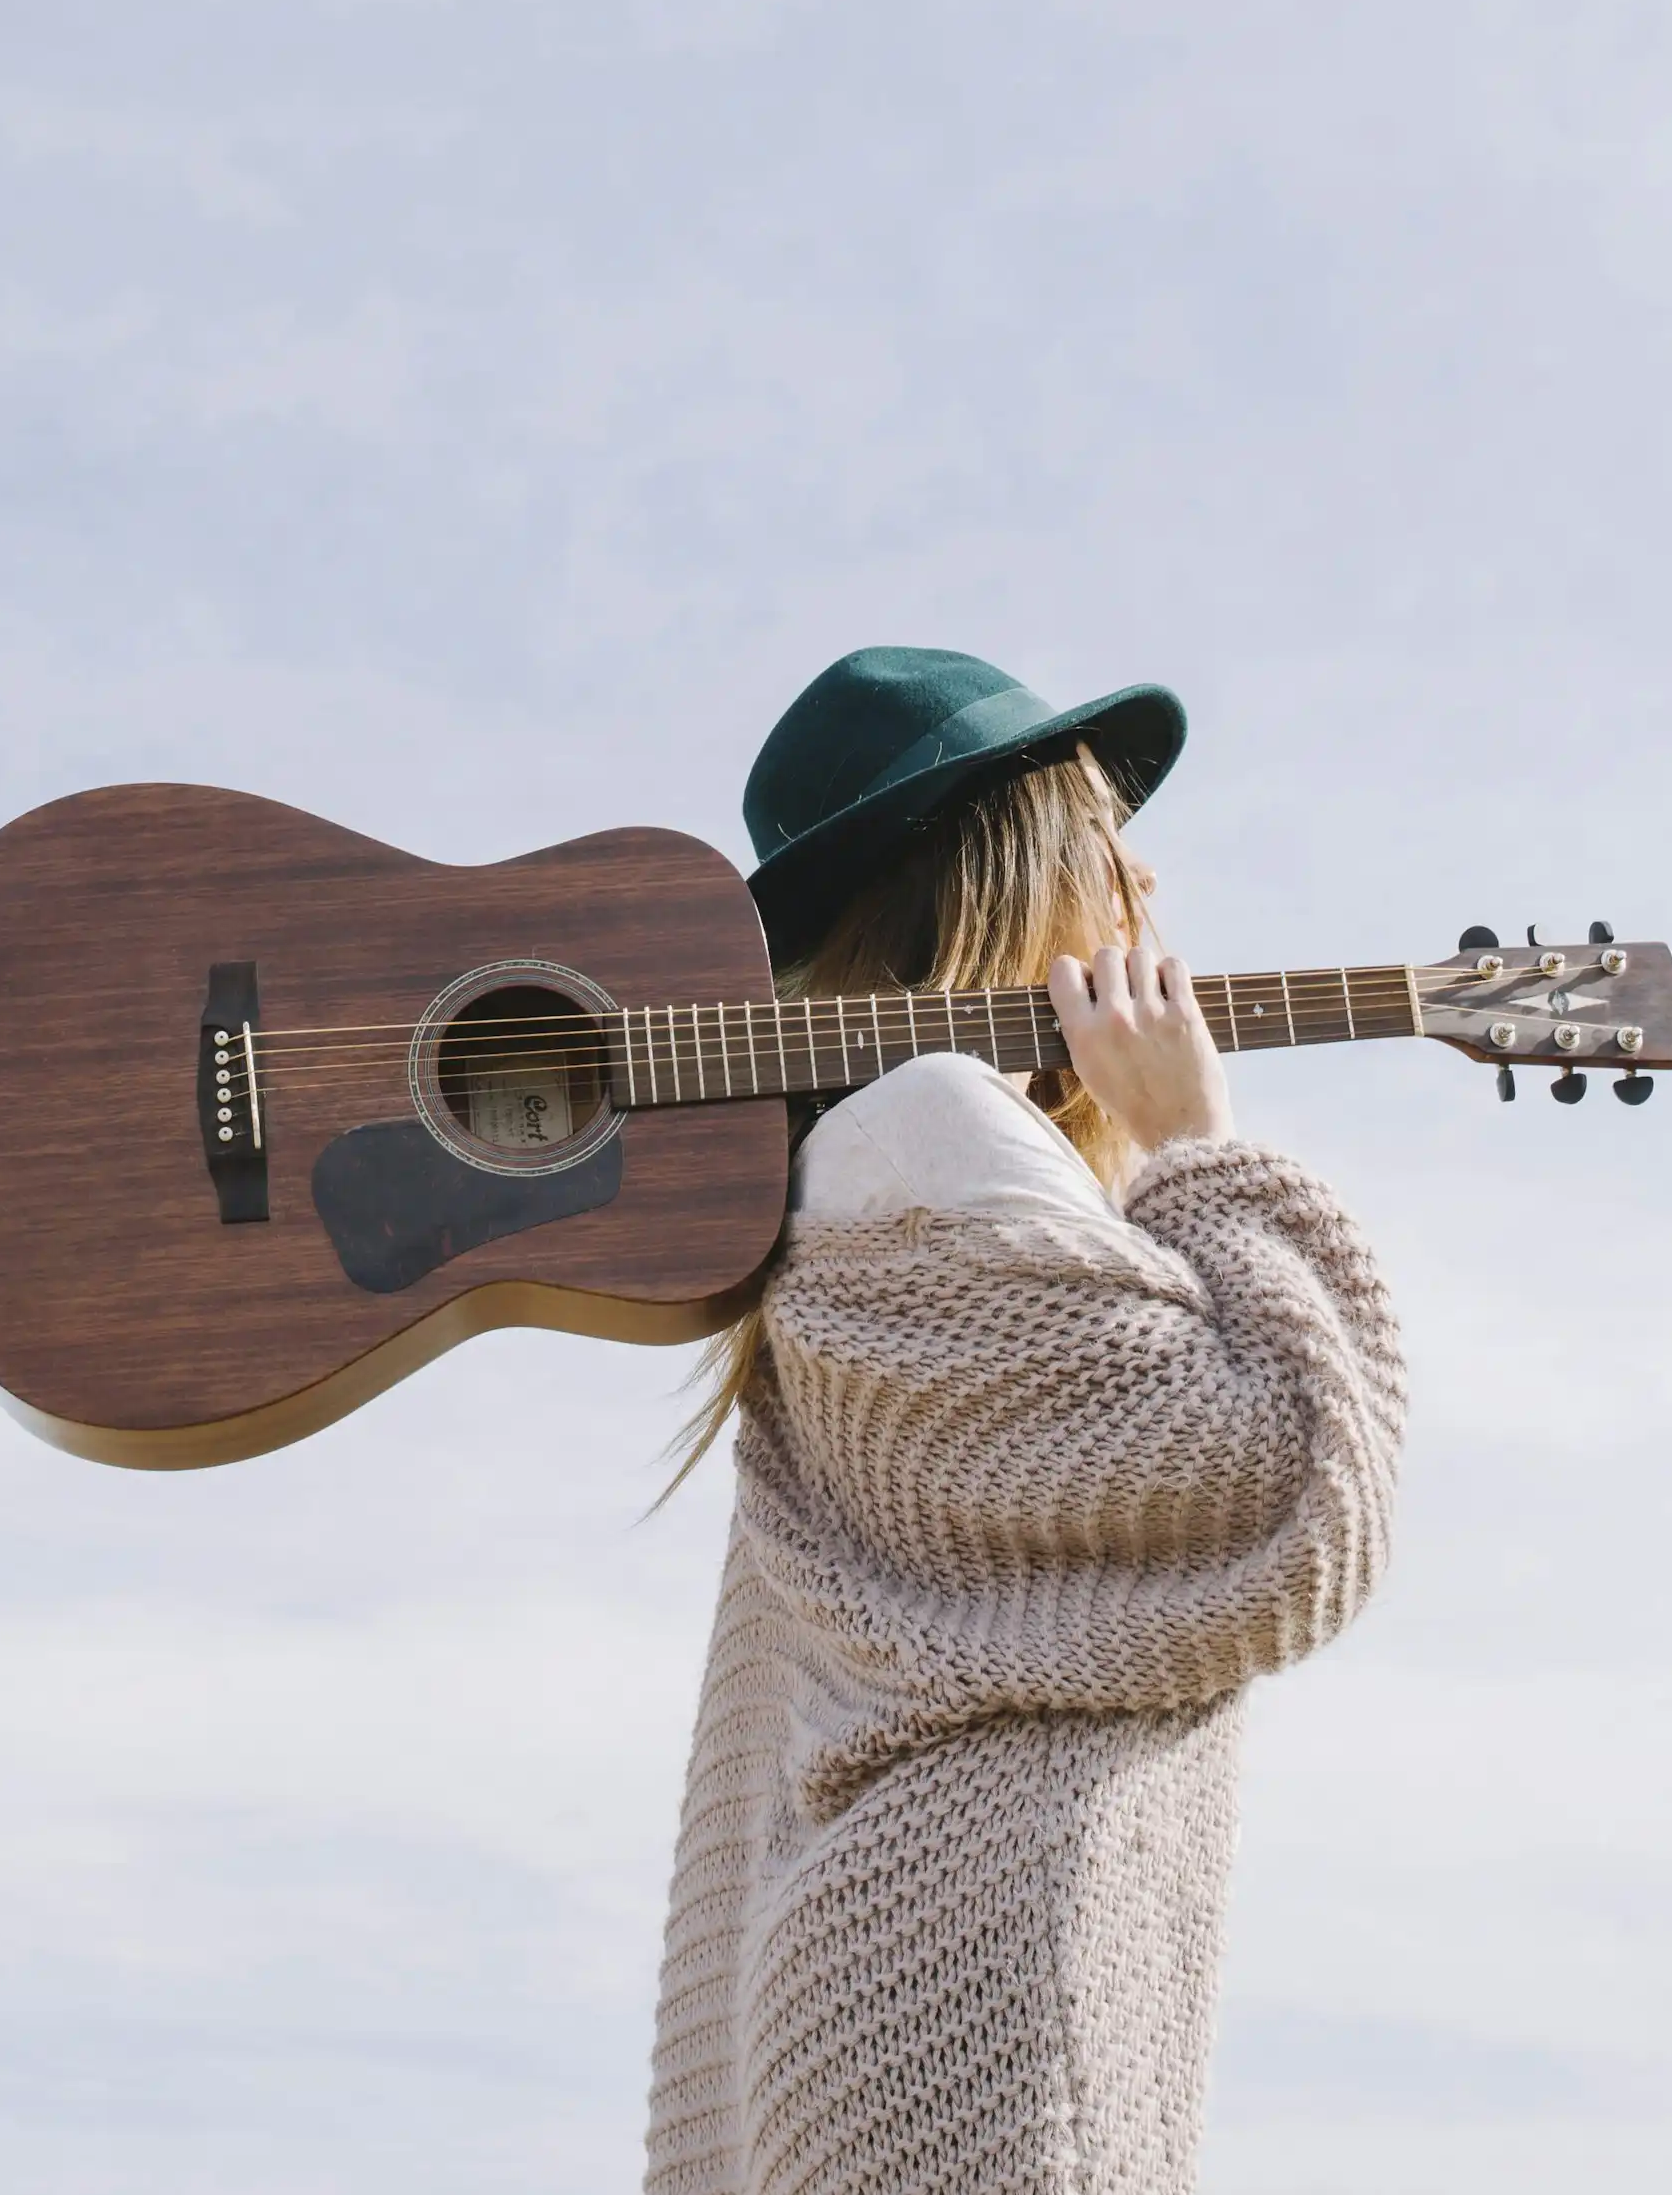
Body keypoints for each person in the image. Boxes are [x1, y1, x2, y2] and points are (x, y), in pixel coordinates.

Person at [641, 646, 1406, 2195]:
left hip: (881, 1994)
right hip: (976, 2013)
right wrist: (1196, 1144)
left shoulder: (849, 1187)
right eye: (1108, 844)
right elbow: (1285, 1480)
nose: (1145, 889)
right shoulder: (933, 1128)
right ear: (1015, 871)